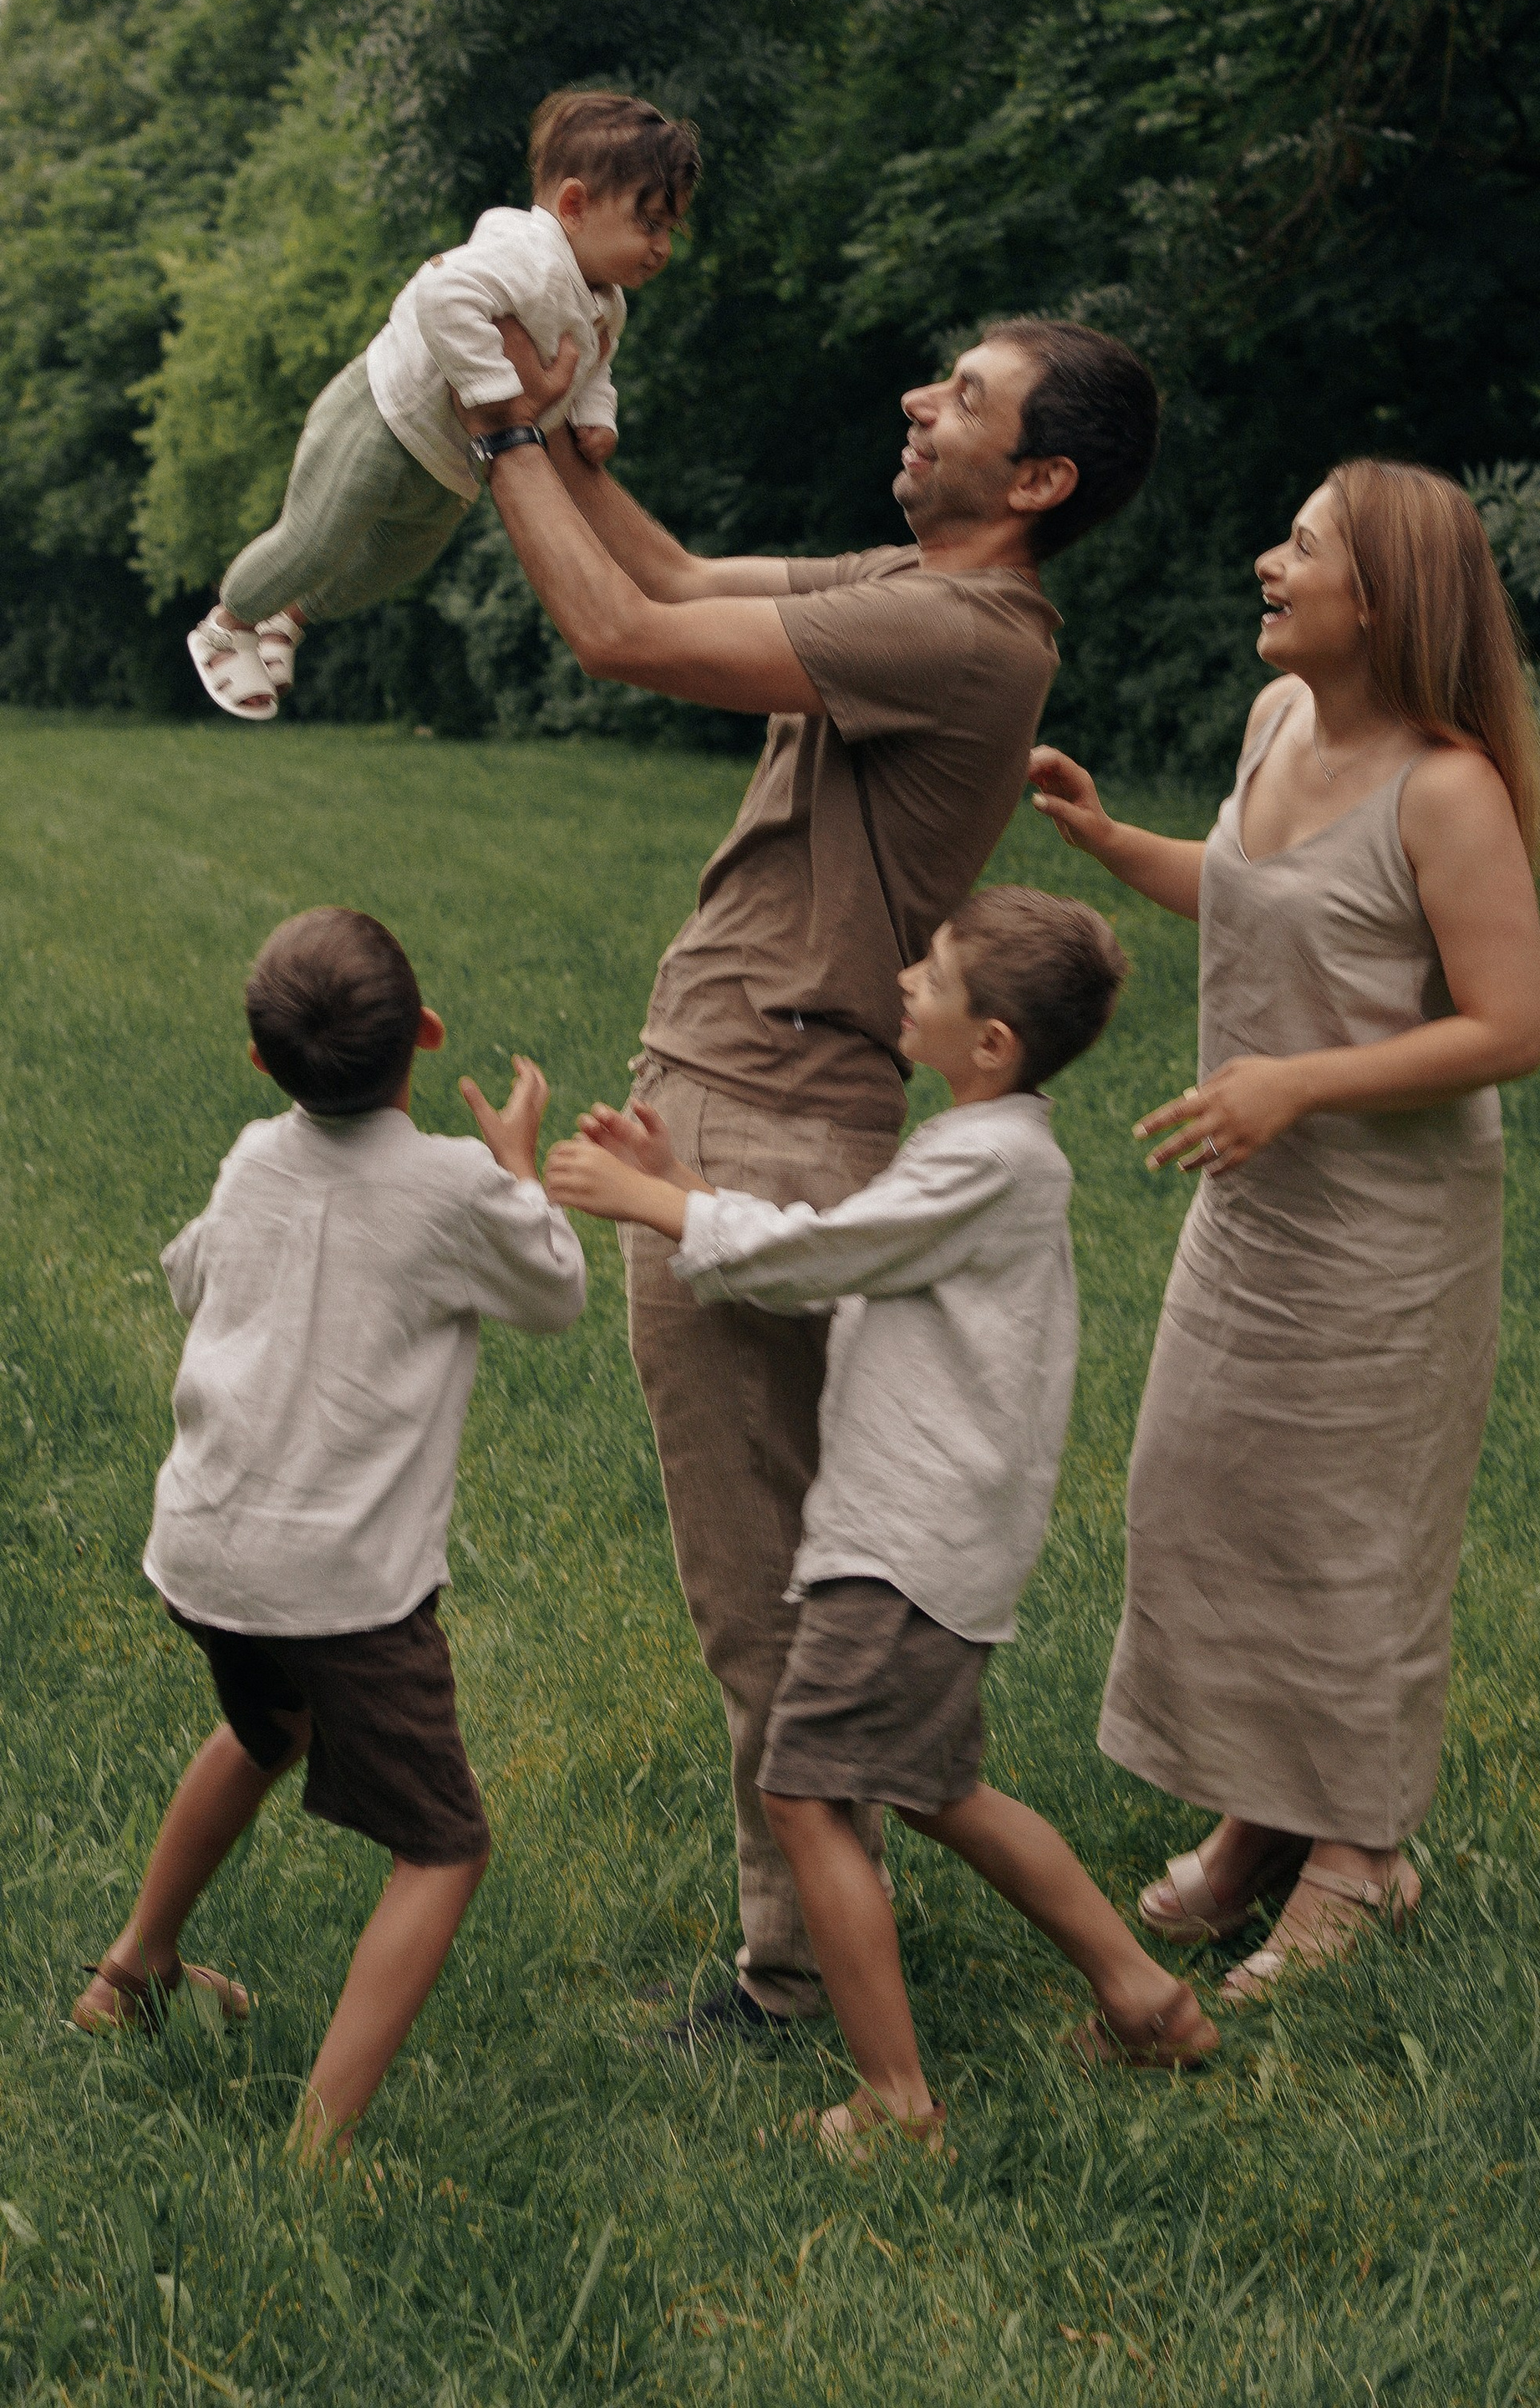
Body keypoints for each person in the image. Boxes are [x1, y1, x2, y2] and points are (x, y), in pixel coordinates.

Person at [456, 310, 1160, 2034]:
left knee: (758, 1587)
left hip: (766, 1110)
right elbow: (674, 574)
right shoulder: (914, 584)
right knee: (777, 1573)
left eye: (965, 399)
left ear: (1040, 480)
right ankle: (824, 1931)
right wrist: (568, 436)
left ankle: (792, 1982)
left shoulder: (959, 630)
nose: (919, 403)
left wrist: (490, 432)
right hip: (754, 1092)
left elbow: (619, 634)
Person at [547, 887, 1217, 2154]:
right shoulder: (989, 1147)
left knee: (803, 1793)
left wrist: (651, 1205)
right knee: (937, 1791)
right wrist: (682, 1177)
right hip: (928, 1536)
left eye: (934, 973)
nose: (904, 979)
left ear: (992, 1042)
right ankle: (1147, 2000)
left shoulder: (985, 1161)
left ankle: (895, 2100)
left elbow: (827, 1256)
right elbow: (854, 1254)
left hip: (905, 1543)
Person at [1028, 461, 1540, 2001]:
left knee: (1348, 1537)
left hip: (1387, 1237)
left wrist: (1300, 1084)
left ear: (1381, 600)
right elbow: (1259, 892)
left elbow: (1511, 1027)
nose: (1270, 560)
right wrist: (1115, 844)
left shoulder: (1445, 790)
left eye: (1304, 546)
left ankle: (1361, 1855)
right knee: (1209, 1501)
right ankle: (1263, 1809)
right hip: (1253, 1209)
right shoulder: (1277, 723)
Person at [70, 909, 586, 2161]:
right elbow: (557, 1290)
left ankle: (132, 1974)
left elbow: (190, 1275)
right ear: (427, 1034)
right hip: (342, 1588)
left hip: (204, 1551)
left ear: (262, 1064)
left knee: (271, 1727)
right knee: (443, 1847)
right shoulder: (454, 1186)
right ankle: (316, 2150)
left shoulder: (255, 1155)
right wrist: (517, 1167)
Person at [185, 90, 699, 720]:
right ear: (574, 206)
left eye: (670, 230)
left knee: (390, 565)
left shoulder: (607, 303)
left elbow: (595, 368)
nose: (661, 247)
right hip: (384, 416)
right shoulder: (525, 255)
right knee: (315, 538)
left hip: (449, 466)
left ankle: (285, 618)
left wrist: (596, 419)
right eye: (650, 224)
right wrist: (495, 394)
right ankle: (225, 626)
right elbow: (442, 292)